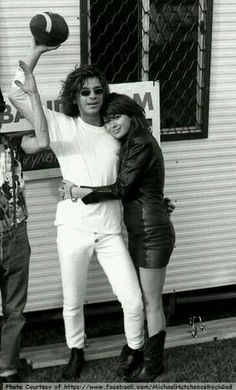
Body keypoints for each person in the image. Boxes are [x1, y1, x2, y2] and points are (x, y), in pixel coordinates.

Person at [8, 41, 145, 381]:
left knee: (133, 300)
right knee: (73, 301)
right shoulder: (63, 125)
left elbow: (137, 176)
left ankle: (135, 350)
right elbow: (17, 94)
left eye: (98, 90)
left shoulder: (118, 131)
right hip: (72, 229)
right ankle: (76, 352)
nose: (93, 96)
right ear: (76, 96)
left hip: (112, 230)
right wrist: (37, 51)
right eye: (85, 92)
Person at [61, 92, 176, 382]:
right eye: (107, 119)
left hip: (150, 232)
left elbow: (122, 188)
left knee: (150, 302)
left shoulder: (139, 142)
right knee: (147, 300)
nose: (111, 124)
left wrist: (80, 192)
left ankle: (152, 366)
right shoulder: (131, 143)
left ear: (131, 114)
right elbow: (143, 188)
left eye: (117, 117)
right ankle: (145, 357)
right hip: (142, 228)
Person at [0, 88, 31, 383]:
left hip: (17, 234)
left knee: (14, 309)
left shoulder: (11, 146)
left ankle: (8, 368)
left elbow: (44, 139)